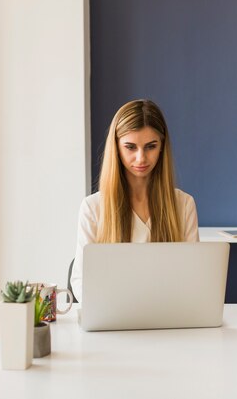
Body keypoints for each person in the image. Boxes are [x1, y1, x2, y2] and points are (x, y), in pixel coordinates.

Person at [71, 99, 199, 301]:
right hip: (114, 321)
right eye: (130, 147)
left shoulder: (183, 205)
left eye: (151, 146)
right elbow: (80, 281)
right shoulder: (93, 207)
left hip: (168, 319)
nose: (141, 158)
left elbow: (194, 278)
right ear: (117, 148)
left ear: (162, 147)